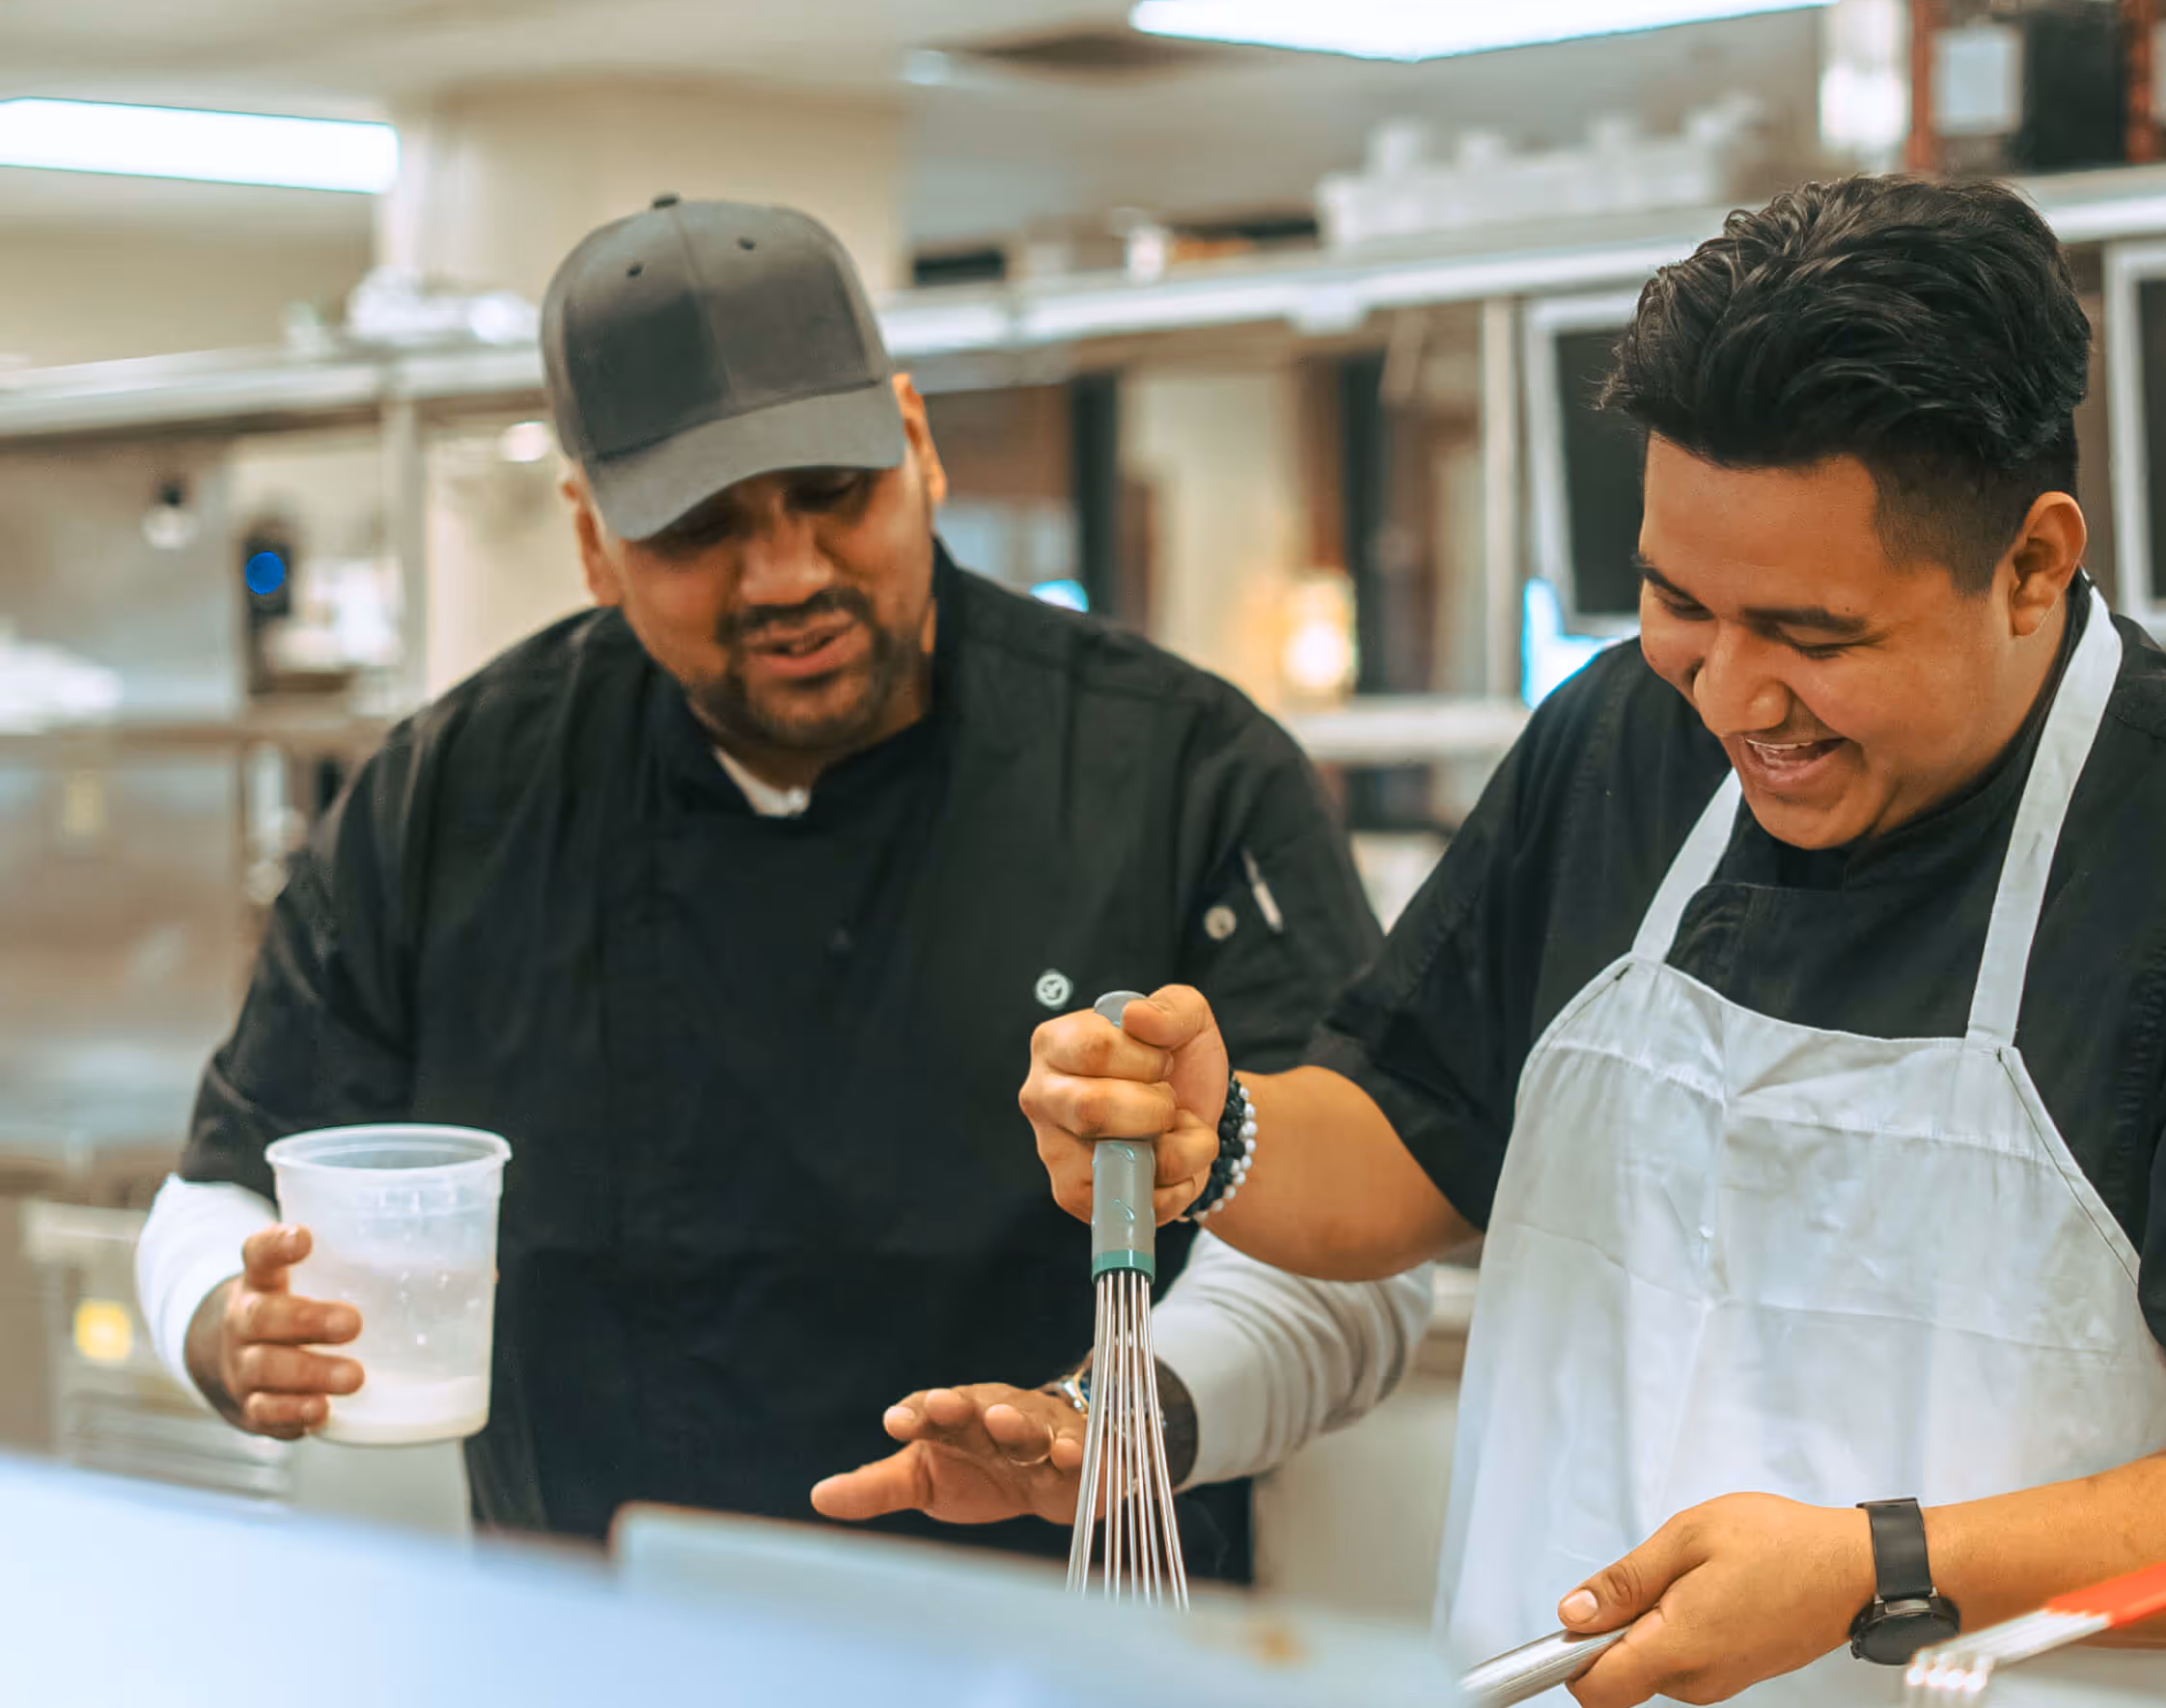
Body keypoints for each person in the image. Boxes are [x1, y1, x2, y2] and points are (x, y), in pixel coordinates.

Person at [902, 175, 2166, 1708]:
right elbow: (1415, 1141)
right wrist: (1212, 1132)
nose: (1733, 695)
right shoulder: (1624, 744)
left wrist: (1879, 1566)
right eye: (1681, 602)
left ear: (2032, 562)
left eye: (1814, 636)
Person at [134, 197, 1425, 1576]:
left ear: (916, 444)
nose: (789, 573)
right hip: (601, 1669)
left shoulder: (1177, 772)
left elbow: (1356, 1256)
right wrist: (231, 1320)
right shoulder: (457, 793)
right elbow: (216, 1194)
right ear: (591, 540)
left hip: (1063, 1672)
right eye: (702, 529)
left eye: (834, 491)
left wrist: (1124, 1415)